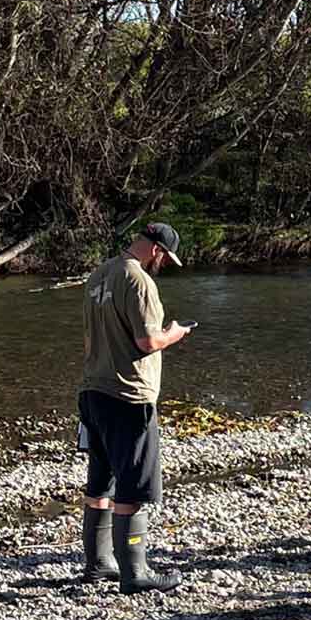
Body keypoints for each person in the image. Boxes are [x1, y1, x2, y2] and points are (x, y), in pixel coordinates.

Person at [76, 222, 194, 594]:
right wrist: (176, 332)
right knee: (133, 485)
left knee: (100, 480)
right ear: (157, 250)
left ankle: (98, 564)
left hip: (93, 391)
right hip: (129, 396)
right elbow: (147, 341)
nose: (162, 264)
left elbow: (88, 339)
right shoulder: (138, 281)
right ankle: (136, 572)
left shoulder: (99, 274)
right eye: (165, 258)